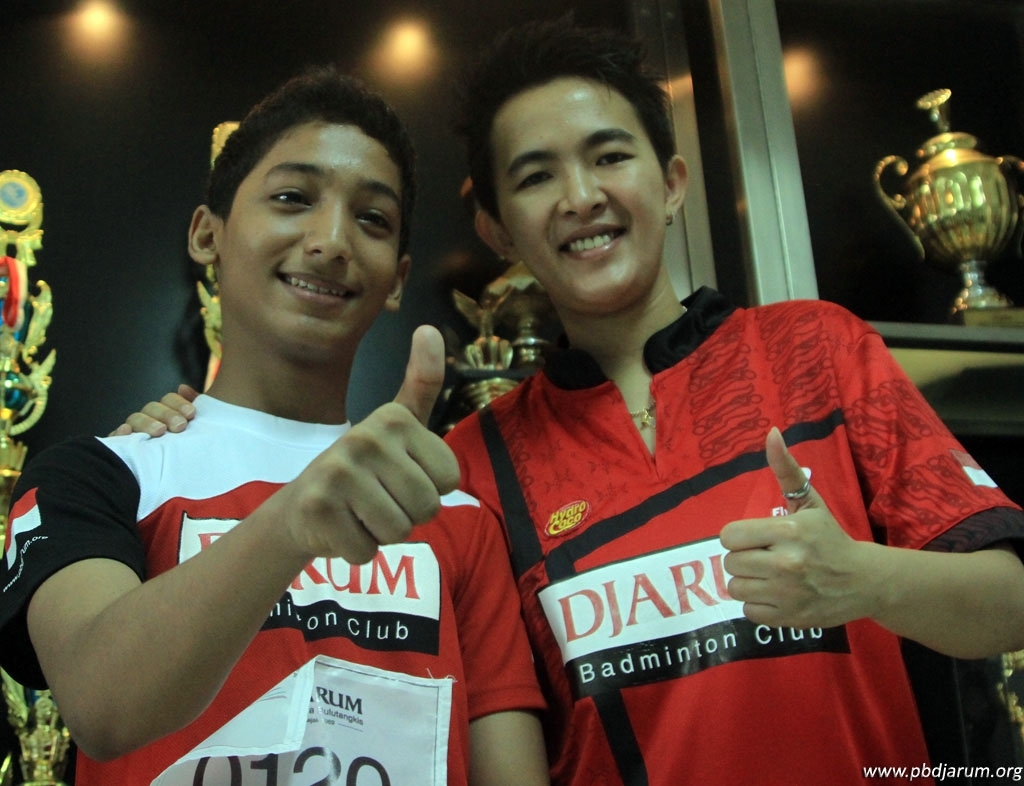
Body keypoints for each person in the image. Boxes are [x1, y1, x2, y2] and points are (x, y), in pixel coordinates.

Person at [117, 18, 1024, 786]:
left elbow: (1008, 599)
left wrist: (866, 581)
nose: (582, 197)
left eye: (610, 156)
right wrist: (179, 440)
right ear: (498, 229)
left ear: (670, 183)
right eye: (536, 176)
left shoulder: (818, 349)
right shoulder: (471, 466)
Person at [0, 67, 549, 786]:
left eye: (372, 219)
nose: (332, 240)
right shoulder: (101, 475)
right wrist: (293, 521)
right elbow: (102, 705)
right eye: (293, 198)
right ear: (208, 234)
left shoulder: (454, 513)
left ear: (396, 279)